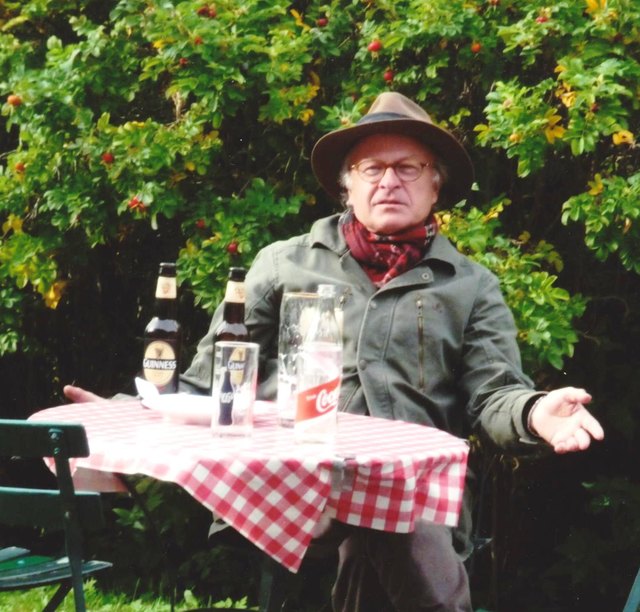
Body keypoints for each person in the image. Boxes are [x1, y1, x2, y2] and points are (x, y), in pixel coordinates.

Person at [64, 91, 604, 611]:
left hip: (409, 497)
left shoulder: (470, 285)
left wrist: (535, 412)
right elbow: (212, 380)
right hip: (291, 485)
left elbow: (494, 395)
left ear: (435, 187)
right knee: (386, 519)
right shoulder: (284, 264)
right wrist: (126, 412)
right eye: (372, 169)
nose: (389, 181)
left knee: (387, 510)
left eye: (408, 168)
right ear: (347, 186)